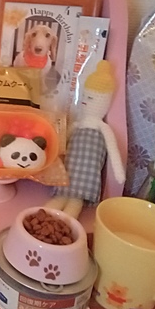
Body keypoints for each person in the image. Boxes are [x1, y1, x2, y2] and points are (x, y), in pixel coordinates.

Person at [46, 60, 125, 218]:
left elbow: (113, 150)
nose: (85, 100)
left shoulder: (103, 128)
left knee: (75, 202)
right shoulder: (77, 125)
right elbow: (62, 143)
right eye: (85, 96)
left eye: (90, 98)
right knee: (59, 198)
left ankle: (65, 221)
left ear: (104, 101)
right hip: (68, 171)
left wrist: (119, 173)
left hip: (87, 175)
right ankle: (44, 216)